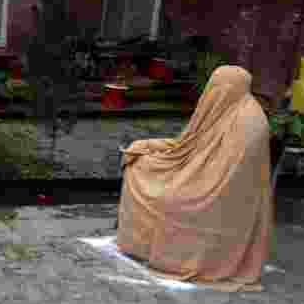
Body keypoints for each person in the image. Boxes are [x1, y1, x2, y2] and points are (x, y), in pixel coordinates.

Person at [116, 65, 274, 291]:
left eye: (220, 88)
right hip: (199, 168)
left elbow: (227, 175)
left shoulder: (249, 123)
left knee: (171, 198)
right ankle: (140, 246)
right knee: (142, 161)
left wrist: (186, 176)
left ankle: (170, 256)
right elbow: (193, 140)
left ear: (236, 88)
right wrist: (171, 155)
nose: (214, 93)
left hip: (222, 194)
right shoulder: (227, 107)